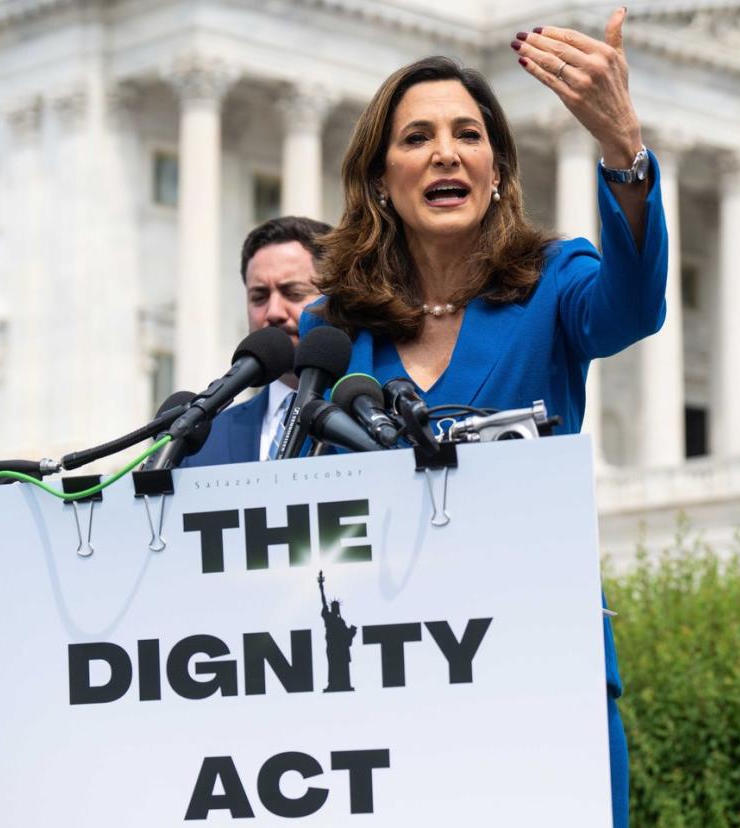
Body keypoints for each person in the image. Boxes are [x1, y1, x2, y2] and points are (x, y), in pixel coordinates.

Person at [300, 9, 666, 825]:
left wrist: (623, 150)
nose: (445, 152)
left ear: (497, 169)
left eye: (468, 134)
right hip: (378, 679)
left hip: (537, 670)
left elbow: (633, 308)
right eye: (416, 137)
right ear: (380, 179)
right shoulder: (331, 328)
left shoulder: (553, 283)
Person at [183, 214, 332, 467]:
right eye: (259, 297)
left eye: (293, 293)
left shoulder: (377, 422)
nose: (273, 311)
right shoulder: (203, 441)